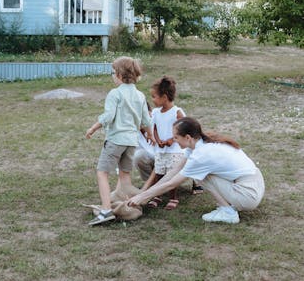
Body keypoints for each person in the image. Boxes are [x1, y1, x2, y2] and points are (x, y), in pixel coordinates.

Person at [127, 117, 265, 224]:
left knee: (201, 176)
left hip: (248, 194)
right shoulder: (198, 144)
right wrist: (145, 193)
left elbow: (172, 184)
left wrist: (142, 197)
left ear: (187, 137)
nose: (174, 141)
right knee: (200, 173)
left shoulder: (201, 155)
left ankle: (228, 212)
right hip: (254, 183)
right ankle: (228, 207)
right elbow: (174, 170)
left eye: (176, 137)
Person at [85, 56, 153, 226]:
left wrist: (93, 127)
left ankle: (106, 210)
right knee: (124, 177)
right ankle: (135, 202)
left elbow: (108, 116)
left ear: (120, 75)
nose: (112, 76)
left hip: (116, 140)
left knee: (102, 172)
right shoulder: (140, 95)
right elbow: (146, 120)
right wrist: (151, 135)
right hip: (131, 142)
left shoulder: (115, 94)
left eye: (113, 73)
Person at [143, 76, 186, 210]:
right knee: (159, 172)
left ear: (165, 97)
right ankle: (158, 195)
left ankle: (173, 197)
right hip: (160, 149)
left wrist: (171, 140)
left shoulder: (176, 112)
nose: (153, 100)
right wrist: (157, 139)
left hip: (174, 150)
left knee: (171, 173)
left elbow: (183, 128)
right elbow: (154, 127)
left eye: (154, 97)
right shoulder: (156, 112)